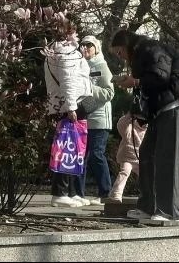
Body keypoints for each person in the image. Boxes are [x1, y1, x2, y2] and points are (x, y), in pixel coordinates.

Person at [112, 29, 179, 226]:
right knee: (147, 153)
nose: (120, 57)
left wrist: (135, 82)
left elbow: (161, 76)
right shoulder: (145, 51)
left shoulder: (150, 49)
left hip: (176, 103)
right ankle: (148, 206)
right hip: (163, 107)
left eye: (119, 52)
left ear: (126, 45)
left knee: (168, 158)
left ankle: (170, 212)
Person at [43, 27, 93, 207]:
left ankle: (71, 191)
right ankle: (61, 192)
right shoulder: (65, 51)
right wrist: (71, 107)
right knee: (68, 148)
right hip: (72, 104)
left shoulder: (62, 50)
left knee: (75, 148)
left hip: (70, 103)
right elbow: (68, 80)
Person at [78, 35, 114, 205]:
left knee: (96, 155)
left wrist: (89, 87)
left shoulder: (101, 66)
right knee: (81, 156)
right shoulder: (79, 66)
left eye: (89, 45)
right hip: (82, 118)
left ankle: (105, 193)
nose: (86, 48)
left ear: (96, 48)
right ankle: (78, 194)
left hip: (99, 120)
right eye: (83, 45)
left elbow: (109, 92)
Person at [106, 102, 147, 203]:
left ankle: (149, 195)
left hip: (140, 158)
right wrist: (130, 115)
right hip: (127, 158)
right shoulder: (129, 125)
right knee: (124, 172)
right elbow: (121, 124)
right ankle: (116, 193)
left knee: (147, 176)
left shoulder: (148, 128)